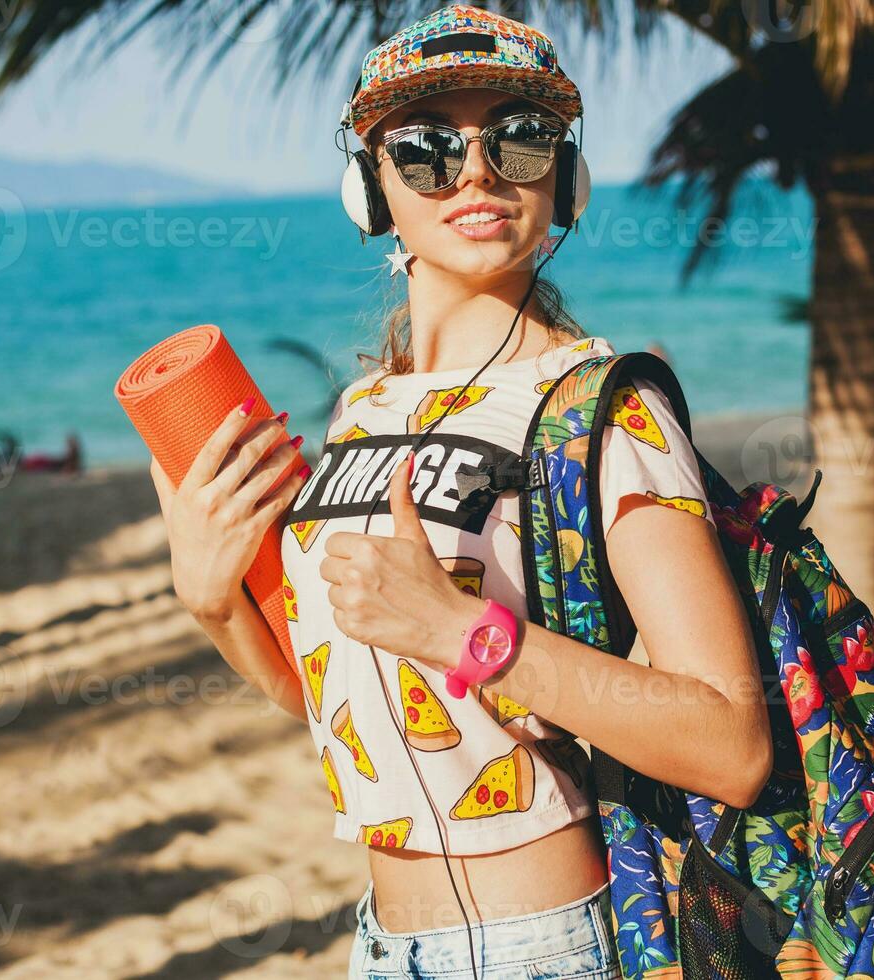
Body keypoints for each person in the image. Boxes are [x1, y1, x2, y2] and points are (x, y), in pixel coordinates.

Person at [149, 6, 768, 979]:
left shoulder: (605, 408)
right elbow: (340, 710)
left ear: (565, 177)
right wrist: (213, 601)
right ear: (371, 186)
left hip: (543, 945)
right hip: (383, 945)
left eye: (519, 138)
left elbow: (729, 740)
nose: (476, 171)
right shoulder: (363, 411)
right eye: (428, 146)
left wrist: (463, 633)